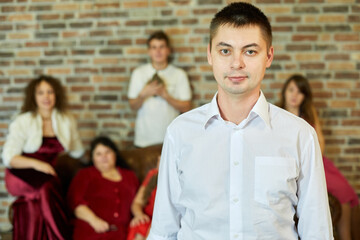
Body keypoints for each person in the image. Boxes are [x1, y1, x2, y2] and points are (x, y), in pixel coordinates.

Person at [147, 2, 333, 239]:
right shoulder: (180, 132)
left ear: (269, 56)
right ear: (209, 54)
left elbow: (317, 231)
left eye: (250, 51)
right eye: (225, 51)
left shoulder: (300, 135)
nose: (237, 63)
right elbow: (164, 229)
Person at [2, 75, 84, 240]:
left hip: (47, 174)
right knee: (48, 186)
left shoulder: (66, 120)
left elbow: (77, 151)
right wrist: (38, 164)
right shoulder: (23, 121)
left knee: (40, 198)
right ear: (34, 96)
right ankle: (62, 236)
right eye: (40, 93)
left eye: (50, 92)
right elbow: (8, 157)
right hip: (21, 172)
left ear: (56, 95)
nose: (46, 97)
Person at [278, 74, 359, 240]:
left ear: (305, 97)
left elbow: (320, 144)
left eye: (300, 92)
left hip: (316, 162)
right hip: (291, 164)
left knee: (347, 192)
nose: (294, 95)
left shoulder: (309, 114)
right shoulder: (278, 114)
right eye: (291, 90)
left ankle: (347, 236)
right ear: (284, 91)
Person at [127, 31, 192, 148]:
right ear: (149, 51)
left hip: (171, 139)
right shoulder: (139, 73)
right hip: (143, 139)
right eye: (154, 47)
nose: (158, 51)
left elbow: (186, 107)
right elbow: (132, 106)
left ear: (168, 50)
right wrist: (143, 94)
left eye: (161, 47)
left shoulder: (179, 74)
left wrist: (165, 95)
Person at [67, 136, 139, 240]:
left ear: (115, 154)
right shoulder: (84, 175)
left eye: (107, 152)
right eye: (98, 154)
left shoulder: (130, 176)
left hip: (123, 233)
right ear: (93, 158)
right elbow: (75, 203)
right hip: (92, 229)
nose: (104, 157)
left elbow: (139, 202)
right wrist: (94, 221)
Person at [127, 157, 160, 240]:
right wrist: (139, 215)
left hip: (162, 221)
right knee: (139, 224)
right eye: (159, 159)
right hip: (147, 218)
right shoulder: (153, 174)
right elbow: (137, 202)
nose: (159, 162)